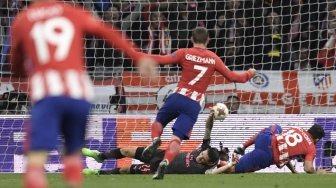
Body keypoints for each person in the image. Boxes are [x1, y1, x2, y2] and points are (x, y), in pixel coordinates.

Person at [9, 0, 147, 187]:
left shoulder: (23, 19)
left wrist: (25, 71)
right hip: (79, 95)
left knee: (35, 160)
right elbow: (107, 31)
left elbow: (15, 65)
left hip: (48, 95)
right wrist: (137, 56)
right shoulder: (72, 12)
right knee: (73, 156)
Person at [140, 27, 256, 179]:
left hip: (178, 96)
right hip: (193, 104)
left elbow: (162, 60)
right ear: (208, 40)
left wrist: (138, 54)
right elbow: (234, 77)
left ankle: (155, 140)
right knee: (176, 138)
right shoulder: (213, 58)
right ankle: (166, 162)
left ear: (191, 38)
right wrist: (249, 74)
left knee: (159, 122)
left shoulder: (184, 52)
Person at [81, 108, 230, 175]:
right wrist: (210, 119)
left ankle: (98, 173)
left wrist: (230, 164)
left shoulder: (204, 170)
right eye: (203, 153)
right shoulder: (204, 150)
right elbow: (208, 131)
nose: (200, 156)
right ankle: (100, 156)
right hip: (160, 154)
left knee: (126, 170)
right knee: (126, 150)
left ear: (209, 163)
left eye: (203, 158)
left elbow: (215, 172)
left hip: (156, 168)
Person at [208, 124, 326, 174]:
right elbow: (307, 168)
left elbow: (284, 150)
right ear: (317, 140)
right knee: (232, 170)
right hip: (266, 154)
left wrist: (293, 171)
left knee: (276, 127)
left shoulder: (298, 128)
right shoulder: (311, 147)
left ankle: (243, 146)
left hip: (264, 138)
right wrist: (316, 172)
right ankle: (214, 162)